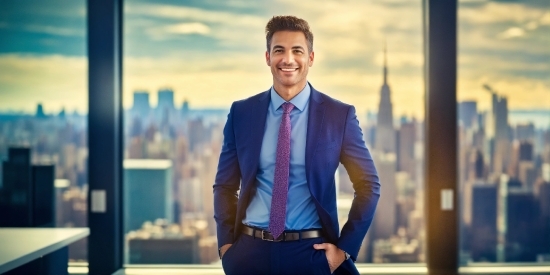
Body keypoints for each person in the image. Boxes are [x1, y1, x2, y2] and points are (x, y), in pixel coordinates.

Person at [213, 15, 380, 275]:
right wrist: (226, 247)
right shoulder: (242, 113)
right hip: (249, 255)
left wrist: (343, 250)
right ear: (268, 57)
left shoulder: (339, 115)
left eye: (297, 51)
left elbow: (369, 184)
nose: (288, 59)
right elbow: (224, 186)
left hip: (312, 254)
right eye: (279, 50)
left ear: (310, 58)